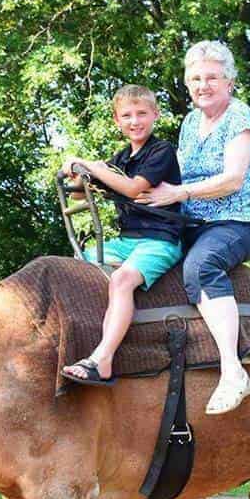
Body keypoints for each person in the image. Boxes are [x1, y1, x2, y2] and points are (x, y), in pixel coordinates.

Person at [137, 40, 250, 415]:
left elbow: (233, 179)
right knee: (138, 254)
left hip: (234, 223)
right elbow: (170, 171)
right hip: (190, 221)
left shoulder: (239, 117)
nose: (202, 85)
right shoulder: (191, 123)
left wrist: (180, 191)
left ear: (229, 82)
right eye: (195, 78)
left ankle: (233, 370)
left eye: (211, 77)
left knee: (200, 266)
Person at [60, 84, 182, 386]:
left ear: (155, 115)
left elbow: (131, 188)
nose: (135, 121)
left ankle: (103, 360)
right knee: (77, 267)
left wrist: (91, 165)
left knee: (122, 280)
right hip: (128, 241)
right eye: (127, 115)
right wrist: (76, 173)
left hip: (160, 238)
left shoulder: (161, 151)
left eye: (142, 113)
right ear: (117, 121)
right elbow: (79, 197)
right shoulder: (123, 157)